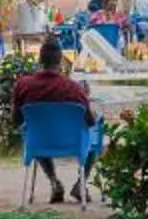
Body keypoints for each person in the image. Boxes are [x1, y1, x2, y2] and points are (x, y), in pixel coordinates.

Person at [11, 41, 97, 203]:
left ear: (40, 60)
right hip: (73, 143)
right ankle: (81, 184)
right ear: (60, 61)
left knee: (37, 132)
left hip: (38, 143)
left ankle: (54, 181)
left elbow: (16, 120)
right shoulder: (74, 88)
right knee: (94, 141)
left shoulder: (23, 86)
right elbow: (90, 122)